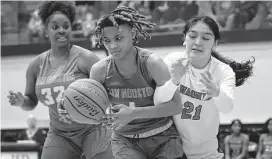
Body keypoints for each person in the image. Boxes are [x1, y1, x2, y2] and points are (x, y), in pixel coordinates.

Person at [7, 2, 113, 159]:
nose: (61, 30)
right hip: (60, 133)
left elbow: (111, 89)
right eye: (55, 27)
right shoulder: (36, 65)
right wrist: (22, 101)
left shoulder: (86, 58)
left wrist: (113, 112)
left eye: (66, 26)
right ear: (45, 32)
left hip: (93, 129)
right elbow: (31, 102)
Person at [154, 16, 255, 159]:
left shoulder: (223, 71)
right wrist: (174, 80)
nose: (198, 42)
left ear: (215, 43)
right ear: (184, 38)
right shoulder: (173, 61)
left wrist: (216, 93)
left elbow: (227, 107)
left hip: (207, 154)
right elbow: (158, 101)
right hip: (174, 152)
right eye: (192, 36)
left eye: (206, 38)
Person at [90, 6, 184, 159]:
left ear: (132, 34)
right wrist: (71, 107)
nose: (112, 46)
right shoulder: (99, 70)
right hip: (124, 140)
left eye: (118, 38)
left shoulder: (152, 63)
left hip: (163, 136)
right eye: (107, 41)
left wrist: (133, 113)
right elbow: (94, 109)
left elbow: (176, 106)